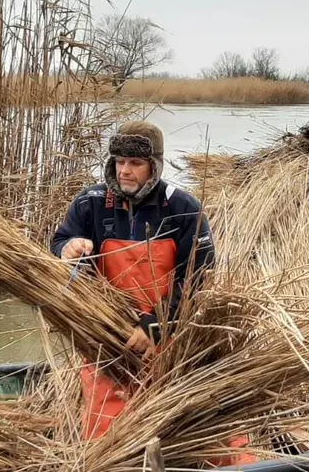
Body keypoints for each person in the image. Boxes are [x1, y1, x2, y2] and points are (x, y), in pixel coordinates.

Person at [50, 120, 217, 441]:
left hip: (167, 335)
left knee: (172, 427)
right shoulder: (90, 203)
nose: (125, 170)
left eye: (135, 163)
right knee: (104, 429)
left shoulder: (183, 208)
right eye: (119, 162)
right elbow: (60, 240)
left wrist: (156, 324)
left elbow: (198, 277)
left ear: (154, 166)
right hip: (107, 335)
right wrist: (68, 248)